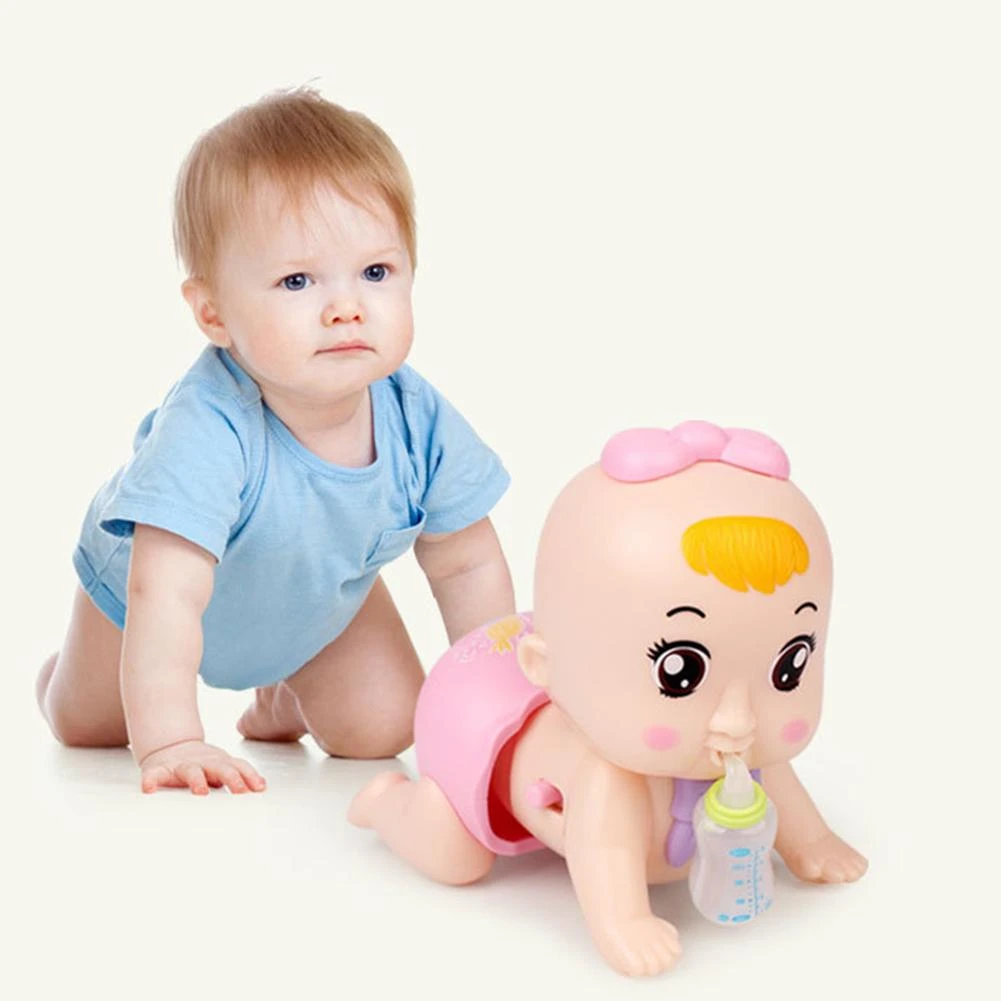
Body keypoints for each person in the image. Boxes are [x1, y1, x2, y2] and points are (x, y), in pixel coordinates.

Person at [36, 89, 515, 796]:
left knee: (382, 727)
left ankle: (284, 696)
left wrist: (503, 701)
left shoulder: (418, 420)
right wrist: (172, 739)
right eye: (296, 280)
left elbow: (467, 563)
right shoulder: (210, 428)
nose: (346, 307)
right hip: (140, 604)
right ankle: (57, 677)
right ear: (213, 313)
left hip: (313, 603)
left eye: (376, 272)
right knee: (90, 726)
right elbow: (164, 591)